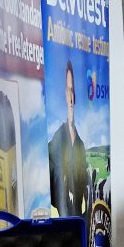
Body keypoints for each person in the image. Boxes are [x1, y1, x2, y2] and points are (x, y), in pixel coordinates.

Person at [48, 59, 88, 217]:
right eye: (67, 91)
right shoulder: (54, 144)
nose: (71, 98)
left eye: (73, 91)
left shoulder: (81, 145)